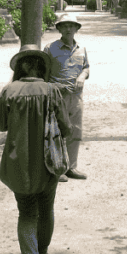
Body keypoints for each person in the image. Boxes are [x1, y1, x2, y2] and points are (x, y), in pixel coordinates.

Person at [0, 44, 72, 254]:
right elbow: (66, 128)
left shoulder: (9, 91)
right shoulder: (52, 90)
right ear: (42, 66)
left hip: (18, 163)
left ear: (21, 67)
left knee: (26, 212)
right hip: (48, 162)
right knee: (46, 209)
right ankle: (42, 253)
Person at [44, 13, 89, 181]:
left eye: (72, 26)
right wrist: (54, 86)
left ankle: (72, 167)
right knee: (57, 132)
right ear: (59, 29)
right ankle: (57, 168)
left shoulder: (81, 49)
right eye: (64, 26)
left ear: (77, 29)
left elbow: (86, 68)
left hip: (76, 97)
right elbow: (43, 73)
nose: (68, 28)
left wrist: (82, 77)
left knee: (75, 131)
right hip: (56, 97)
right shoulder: (50, 48)